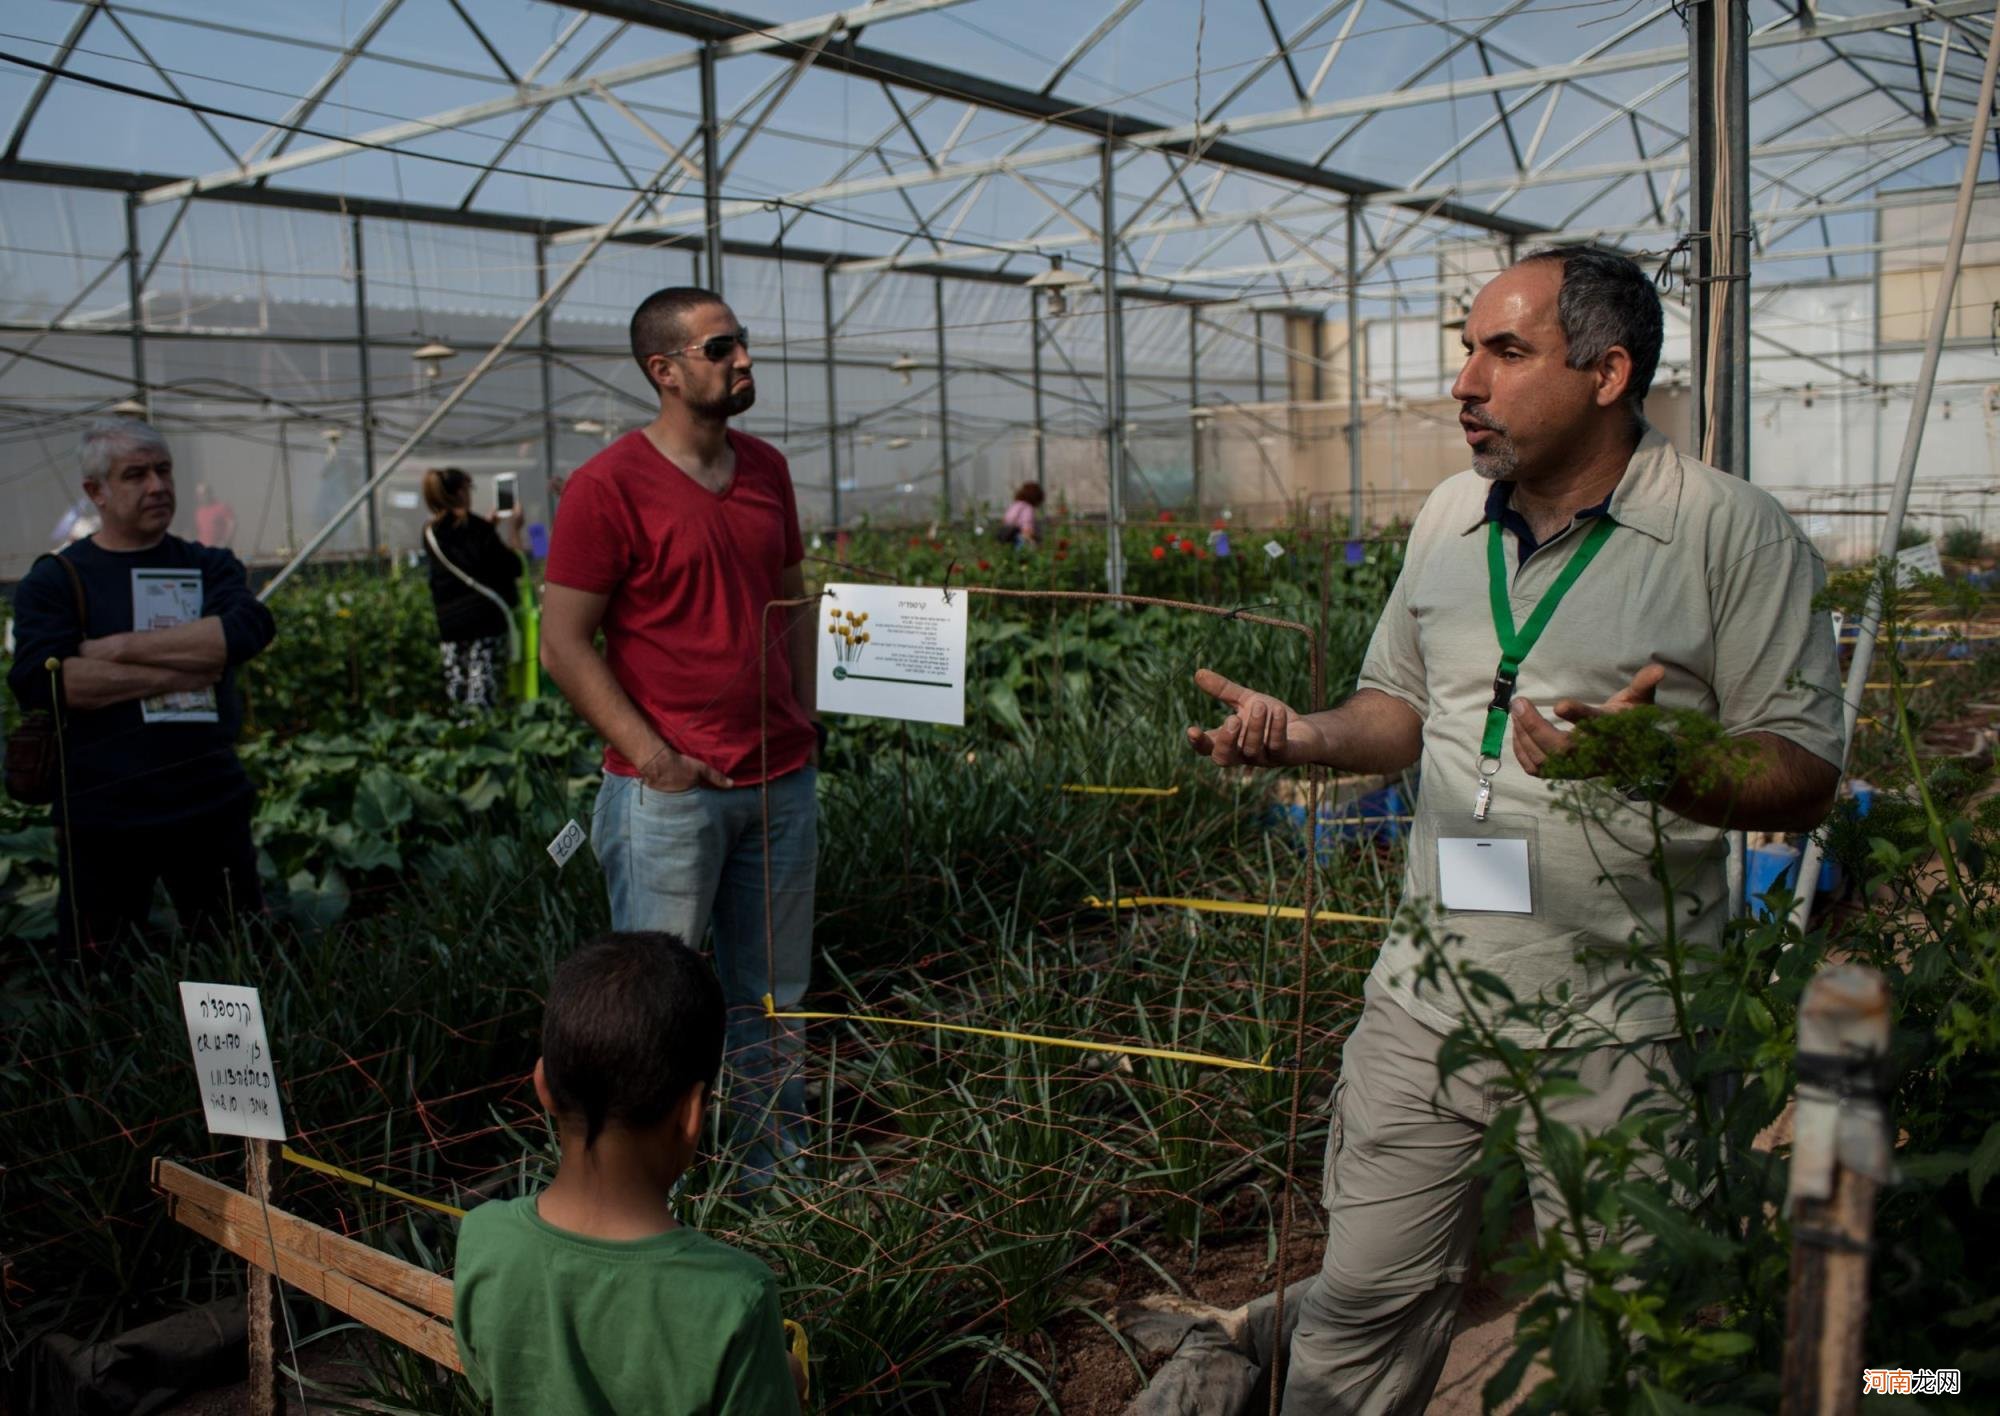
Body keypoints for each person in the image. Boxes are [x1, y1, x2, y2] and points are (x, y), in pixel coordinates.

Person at [1184, 247, 1844, 1414]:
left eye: (1503, 350)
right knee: (1361, 1303)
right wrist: (1299, 738)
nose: (1463, 382)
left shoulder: (1725, 533)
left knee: (1621, 1328)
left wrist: (1656, 762)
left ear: (1606, 373)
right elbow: (1397, 707)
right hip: (1424, 999)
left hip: (1620, 1017)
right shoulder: (1446, 515)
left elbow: (1800, 771)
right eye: (1464, 348)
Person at [541, 287, 819, 1182]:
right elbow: (563, 645)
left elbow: (792, 598)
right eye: (719, 347)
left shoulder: (767, 469)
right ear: (664, 370)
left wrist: (807, 712)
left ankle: (774, 1174)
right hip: (671, 797)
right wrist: (655, 758)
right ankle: (643, 1189)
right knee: (654, 1008)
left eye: (742, 342)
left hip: (780, 781)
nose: (742, 359)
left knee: (773, 998)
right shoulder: (607, 487)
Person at [453, 931, 805, 1414]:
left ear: (542, 1085)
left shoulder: (483, 1239)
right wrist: (775, 1372)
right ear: (692, 1113)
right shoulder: (736, 1298)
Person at [8, 416, 277, 958]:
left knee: (233, 961)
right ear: (96, 492)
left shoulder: (209, 565)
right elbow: (50, 682)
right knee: (101, 974)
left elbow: (244, 630)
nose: (157, 486)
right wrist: (190, 663)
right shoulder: (57, 580)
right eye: (135, 474)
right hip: (103, 816)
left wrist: (114, 647)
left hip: (210, 803)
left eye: (163, 470)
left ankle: (225, 1049)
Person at [421, 467, 524, 711]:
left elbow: (464, 552)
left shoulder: (429, 533)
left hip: (450, 624)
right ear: (459, 491)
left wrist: (487, 528)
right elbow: (514, 566)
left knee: (458, 692)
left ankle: (460, 740)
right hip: (484, 621)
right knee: (483, 695)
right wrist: (514, 530)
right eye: (470, 488)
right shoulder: (478, 530)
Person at [996, 481, 1044, 549]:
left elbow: (1005, 520)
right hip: (1019, 538)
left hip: (1007, 537)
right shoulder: (1027, 508)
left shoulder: (1015, 505)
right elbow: (1026, 527)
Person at [193, 482, 236, 548]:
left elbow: (232, 524)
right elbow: (198, 530)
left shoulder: (221, 507)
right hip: (203, 549)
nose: (201, 497)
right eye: (199, 495)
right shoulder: (199, 511)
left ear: (210, 493)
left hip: (217, 549)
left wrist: (226, 542)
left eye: (203, 494)